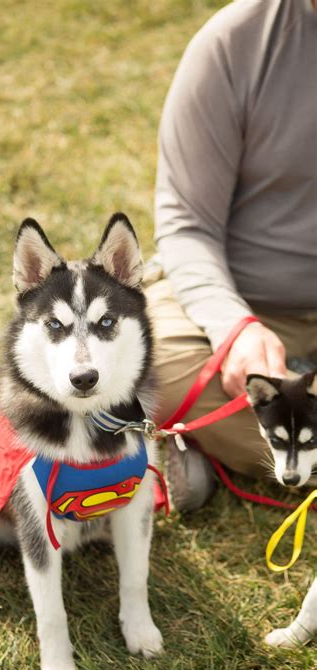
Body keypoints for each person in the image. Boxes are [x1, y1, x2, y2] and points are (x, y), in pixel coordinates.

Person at [146, 0, 317, 511]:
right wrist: (233, 327)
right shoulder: (234, 42)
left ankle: (223, 445)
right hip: (246, 308)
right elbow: (187, 223)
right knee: (143, 362)